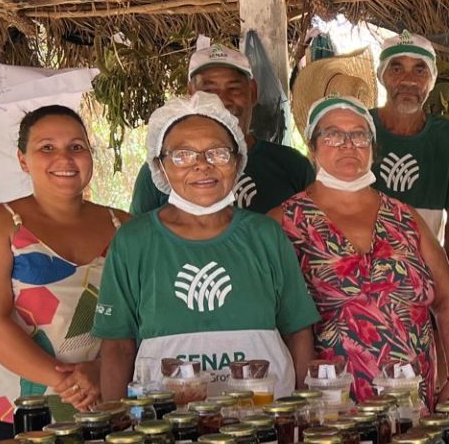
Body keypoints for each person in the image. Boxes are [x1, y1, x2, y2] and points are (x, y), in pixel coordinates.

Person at [95, 94, 318, 401]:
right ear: (159, 165)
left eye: (217, 153)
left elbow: (298, 331)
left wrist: (303, 413)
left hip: (264, 413)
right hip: (168, 419)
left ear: (238, 160)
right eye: (183, 155)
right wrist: (117, 421)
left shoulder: (265, 234)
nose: (202, 165)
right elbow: (118, 346)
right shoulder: (134, 241)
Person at [277, 95, 449, 411]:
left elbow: (447, 300)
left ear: (373, 148)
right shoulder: (285, 222)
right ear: (312, 147)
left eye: (359, 135)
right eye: (333, 135)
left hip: (412, 405)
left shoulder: (404, 217)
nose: (348, 145)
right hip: (331, 411)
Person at [0, 106, 126, 442]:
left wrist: (101, 371)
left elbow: (140, 318)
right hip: (16, 407)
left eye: (76, 147)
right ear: (23, 160)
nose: (64, 158)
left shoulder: (124, 226)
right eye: (46, 147)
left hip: (106, 402)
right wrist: (65, 383)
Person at [129, 39, 314, 215]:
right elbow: (139, 232)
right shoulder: (164, 169)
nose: (222, 101)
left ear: (252, 92)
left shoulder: (293, 165)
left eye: (234, 89)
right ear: (191, 95)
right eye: (209, 91)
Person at [370, 32, 449, 266]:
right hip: (360, 274)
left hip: (423, 274)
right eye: (397, 69)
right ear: (381, 75)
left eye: (420, 70)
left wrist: (447, 276)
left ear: (432, 80)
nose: (408, 81)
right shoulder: (359, 128)